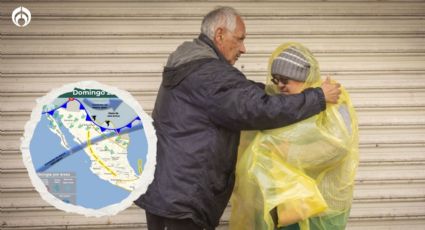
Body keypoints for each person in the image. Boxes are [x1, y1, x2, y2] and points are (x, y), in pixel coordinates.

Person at [134, 7, 342, 230]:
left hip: (168, 191)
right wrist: (317, 97)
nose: (244, 48)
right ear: (220, 34)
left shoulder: (192, 65)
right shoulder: (209, 74)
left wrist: (278, 92)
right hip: (184, 198)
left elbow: (240, 92)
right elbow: (257, 109)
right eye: (240, 39)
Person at [229, 42, 359, 230]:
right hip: (288, 207)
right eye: (276, 79)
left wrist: (289, 152)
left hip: (321, 208)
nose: (279, 85)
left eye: (285, 79)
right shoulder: (282, 105)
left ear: (303, 76)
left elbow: (338, 146)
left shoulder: (334, 102)